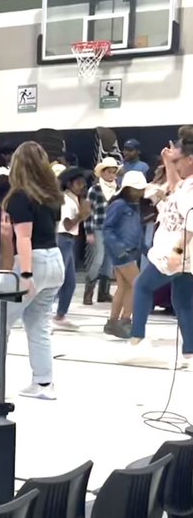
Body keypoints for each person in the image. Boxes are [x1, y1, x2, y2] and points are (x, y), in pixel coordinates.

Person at [0, 141, 65, 401]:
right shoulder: (51, 195)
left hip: (32, 262)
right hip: (55, 260)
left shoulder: (19, 196)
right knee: (37, 323)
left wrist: (25, 275)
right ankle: (43, 382)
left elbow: (24, 238)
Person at [127, 139, 193, 361]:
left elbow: (191, 224)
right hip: (180, 251)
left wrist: (177, 251)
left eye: (179, 160)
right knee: (183, 301)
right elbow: (175, 186)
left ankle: (137, 338)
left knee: (142, 286)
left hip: (175, 249)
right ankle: (190, 351)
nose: (177, 165)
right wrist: (168, 161)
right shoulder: (185, 184)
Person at [102, 171, 147, 338]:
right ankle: (125, 321)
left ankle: (113, 322)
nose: (140, 193)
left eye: (141, 189)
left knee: (124, 287)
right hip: (122, 252)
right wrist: (119, 249)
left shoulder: (133, 207)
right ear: (127, 189)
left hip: (129, 252)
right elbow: (107, 228)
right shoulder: (119, 205)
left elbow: (137, 232)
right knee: (138, 284)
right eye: (137, 189)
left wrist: (146, 249)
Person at [53, 168, 89, 330]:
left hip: (68, 240)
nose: (82, 186)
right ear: (69, 184)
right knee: (61, 280)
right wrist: (82, 215)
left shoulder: (74, 198)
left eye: (83, 183)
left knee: (69, 282)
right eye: (79, 183)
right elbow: (67, 224)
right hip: (63, 239)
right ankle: (52, 314)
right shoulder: (66, 200)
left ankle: (60, 315)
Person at [83, 157, 119, 305]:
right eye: (108, 172)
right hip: (98, 227)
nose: (111, 175)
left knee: (109, 262)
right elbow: (87, 212)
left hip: (113, 229)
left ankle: (103, 293)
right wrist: (88, 231)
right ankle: (88, 293)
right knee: (98, 259)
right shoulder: (95, 190)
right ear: (102, 173)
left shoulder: (118, 189)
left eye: (113, 172)